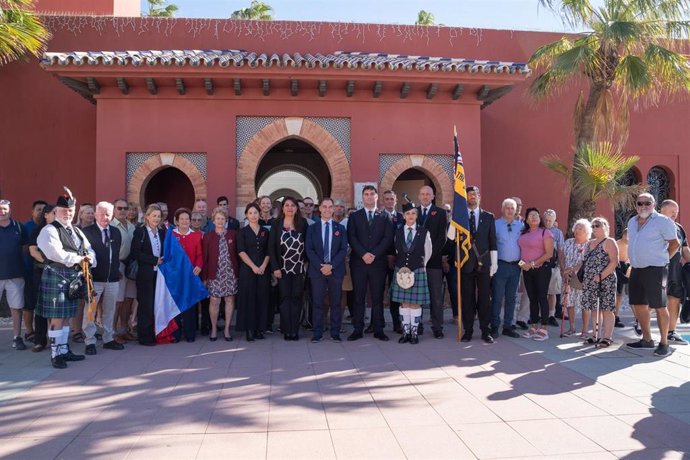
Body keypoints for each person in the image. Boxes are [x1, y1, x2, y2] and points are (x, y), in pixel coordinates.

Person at [37, 188, 95, 368]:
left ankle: (64, 350)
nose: (67, 214)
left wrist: (90, 258)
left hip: (72, 277)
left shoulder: (76, 231)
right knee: (56, 317)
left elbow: (89, 249)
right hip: (57, 274)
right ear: (56, 211)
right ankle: (56, 355)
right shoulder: (49, 230)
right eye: (63, 211)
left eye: (70, 211)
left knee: (67, 316)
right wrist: (80, 259)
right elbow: (56, 254)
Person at [626, 193, 680, 357]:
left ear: (654, 204)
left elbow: (675, 244)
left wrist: (663, 260)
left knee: (659, 306)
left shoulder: (663, 221)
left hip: (656, 269)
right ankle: (647, 340)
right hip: (636, 268)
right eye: (639, 203)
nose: (643, 206)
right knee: (639, 304)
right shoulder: (632, 221)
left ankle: (664, 343)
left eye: (647, 203)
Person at [347, 186, 394, 341]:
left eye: (371, 194)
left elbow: (387, 238)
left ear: (376, 197)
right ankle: (357, 328)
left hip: (378, 262)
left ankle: (378, 329)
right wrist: (363, 254)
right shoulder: (355, 216)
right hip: (359, 263)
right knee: (358, 297)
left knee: (377, 297)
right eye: (366, 194)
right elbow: (352, 237)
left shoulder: (384, 216)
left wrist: (374, 254)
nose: (369, 197)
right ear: (362, 197)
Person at [81, 202, 125, 354]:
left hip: (112, 278)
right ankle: (89, 341)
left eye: (108, 214)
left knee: (109, 310)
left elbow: (116, 254)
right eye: (101, 214)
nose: (104, 217)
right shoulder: (87, 232)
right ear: (95, 214)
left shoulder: (116, 232)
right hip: (95, 279)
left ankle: (108, 338)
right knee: (90, 311)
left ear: (112, 215)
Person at [306, 198, 348, 342]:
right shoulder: (312, 228)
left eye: (331, 207)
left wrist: (331, 265)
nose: (328, 209)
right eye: (325, 207)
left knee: (335, 302)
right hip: (317, 271)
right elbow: (309, 249)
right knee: (317, 302)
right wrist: (321, 266)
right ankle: (317, 333)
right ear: (320, 209)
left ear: (334, 209)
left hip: (335, 271)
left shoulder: (340, 228)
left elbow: (343, 250)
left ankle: (335, 333)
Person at [390, 202, 432, 344]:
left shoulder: (424, 232)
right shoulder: (398, 232)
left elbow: (428, 252)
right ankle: (405, 332)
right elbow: (397, 250)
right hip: (401, 272)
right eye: (408, 213)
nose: (410, 216)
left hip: (417, 270)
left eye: (413, 213)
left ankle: (414, 333)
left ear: (416, 215)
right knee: (404, 304)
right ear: (403, 216)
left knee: (415, 304)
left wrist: (421, 266)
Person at [460, 186, 497, 343]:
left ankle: (485, 331)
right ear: (466, 197)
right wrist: (452, 223)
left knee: (484, 299)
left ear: (479, 196)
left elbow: (492, 242)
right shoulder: (459, 217)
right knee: (467, 299)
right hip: (465, 263)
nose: (472, 197)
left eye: (475, 194)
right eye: (469, 194)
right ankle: (468, 331)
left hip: (483, 263)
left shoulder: (488, 217)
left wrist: (494, 264)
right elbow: (450, 239)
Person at [269, 197, 308, 340]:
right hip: (282, 268)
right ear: (282, 208)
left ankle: (295, 330)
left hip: (298, 268)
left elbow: (308, 245)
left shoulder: (302, 223)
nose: (290, 208)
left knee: (296, 298)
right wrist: (275, 268)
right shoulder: (276, 224)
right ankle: (286, 329)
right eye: (287, 205)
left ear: (297, 208)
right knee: (285, 298)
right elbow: (271, 248)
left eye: (293, 205)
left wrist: (306, 263)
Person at [201, 207, 239, 341]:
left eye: (223, 218)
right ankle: (214, 328)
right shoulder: (208, 236)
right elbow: (204, 258)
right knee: (215, 300)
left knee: (229, 299)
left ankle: (227, 328)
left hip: (230, 273)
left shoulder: (233, 234)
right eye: (218, 218)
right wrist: (205, 277)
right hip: (214, 274)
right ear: (213, 220)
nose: (220, 221)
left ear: (226, 220)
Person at [131, 204, 166, 346]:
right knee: (146, 305)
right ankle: (144, 337)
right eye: (154, 216)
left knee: (156, 304)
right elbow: (135, 253)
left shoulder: (162, 232)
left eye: (158, 216)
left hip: (159, 274)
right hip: (145, 274)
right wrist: (154, 260)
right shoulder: (140, 232)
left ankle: (155, 333)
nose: (156, 219)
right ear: (147, 217)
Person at [580, 218, 619, 347]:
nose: (595, 228)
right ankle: (595, 335)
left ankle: (607, 337)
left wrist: (601, 275)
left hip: (605, 280)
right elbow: (584, 261)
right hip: (590, 281)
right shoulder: (589, 243)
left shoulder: (609, 242)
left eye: (598, 225)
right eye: (593, 226)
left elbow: (614, 261)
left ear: (605, 227)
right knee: (594, 308)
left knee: (606, 308)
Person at [417, 185, 449, 338]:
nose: (425, 197)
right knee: (417, 296)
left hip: (434, 262)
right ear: (419, 196)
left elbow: (441, 238)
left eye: (427, 194)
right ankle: (417, 325)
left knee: (436, 296)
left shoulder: (441, 213)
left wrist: (428, 255)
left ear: (433, 196)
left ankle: (437, 327)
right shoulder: (413, 212)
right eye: (422, 194)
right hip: (416, 263)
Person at [518, 207, 554, 341]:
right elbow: (520, 253)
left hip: (541, 270)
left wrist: (532, 264)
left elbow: (549, 254)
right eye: (531, 215)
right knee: (532, 298)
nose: (534, 217)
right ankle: (533, 326)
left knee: (541, 297)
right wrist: (524, 265)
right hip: (527, 270)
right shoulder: (523, 234)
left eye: (536, 215)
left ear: (540, 219)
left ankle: (544, 328)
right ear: (526, 219)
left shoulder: (545, 233)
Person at [490, 198, 524, 338]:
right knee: (497, 297)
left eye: (512, 208)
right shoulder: (495, 224)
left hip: (516, 267)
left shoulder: (521, 226)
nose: (510, 210)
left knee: (511, 298)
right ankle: (494, 326)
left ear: (516, 210)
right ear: (502, 209)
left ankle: (508, 326)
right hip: (500, 265)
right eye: (507, 208)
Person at [236, 203, 270, 342]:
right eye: (250, 213)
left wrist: (263, 266)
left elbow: (268, 250)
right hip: (248, 271)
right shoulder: (242, 232)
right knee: (249, 300)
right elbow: (241, 251)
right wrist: (253, 267)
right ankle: (249, 329)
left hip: (263, 270)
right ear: (246, 215)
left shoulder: (265, 231)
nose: (253, 215)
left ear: (259, 214)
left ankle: (258, 329)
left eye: (255, 212)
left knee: (261, 299)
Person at [659, 199, 689, 345]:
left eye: (676, 213)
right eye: (671, 212)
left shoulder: (679, 228)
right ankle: (641, 325)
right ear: (661, 211)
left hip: (675, 270)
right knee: (653, 300)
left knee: (674, 298)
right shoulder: (653, 226)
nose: (674, 215)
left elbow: (684, 249)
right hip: (656, 268)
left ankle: (671, 332)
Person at [0, 199, 29, 350]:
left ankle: (17, 337)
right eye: (0, 209)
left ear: (10, 210)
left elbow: (25, 248)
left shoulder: (19, 227)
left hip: (15, 274)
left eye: (5, 209)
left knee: (16, 308)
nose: (2, 211)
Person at [171, 207, 203, 342]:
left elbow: (200, 255)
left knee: (190, 304)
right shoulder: (171, 235)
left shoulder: (196, 235)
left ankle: (190, 334)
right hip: (175, 276)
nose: (184, 221)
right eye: (181, 219)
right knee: (176, 305)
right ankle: (176, 334)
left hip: (190, 276)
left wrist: (199, 266)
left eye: (187, 219)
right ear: (177, 221)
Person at [28, 205, 55, 352]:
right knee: (40, 308)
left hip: (58, 274)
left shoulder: (62, 231)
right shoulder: (38, 230)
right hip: (41, 272)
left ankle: (56, 340)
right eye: (54, 213)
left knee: (56, 309)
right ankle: (39, 340)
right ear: (46, 215)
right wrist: (47, 263)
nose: (57, 215)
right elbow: (33, 251)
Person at [559, 219, 591, 337]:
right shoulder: (568, 242)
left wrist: (571, 269)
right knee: (569, 302)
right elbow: (561, 256)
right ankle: (572, 328)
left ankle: (585, 330)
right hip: (567, 276)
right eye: (576, 228)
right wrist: (564, 271)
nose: (577, 230)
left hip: (582, 277)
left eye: (581, 229)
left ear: (587, 232)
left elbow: (585, 261)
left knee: (584, 304)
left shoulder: (589, 245)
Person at [111, 198, 137, 343]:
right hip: (118, 265)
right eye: (119, 208)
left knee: (129, 299)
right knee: (118, 301)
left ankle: (124, 329)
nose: (122, 211)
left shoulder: (131, 227)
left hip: (130, 266)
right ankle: (112, 332)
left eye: (125, 208)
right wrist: (115, 268)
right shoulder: (111, 226)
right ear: (114, 210)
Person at [22, 200, 47, 345]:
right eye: (38, 209)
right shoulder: (26, 227)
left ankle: (46, 332)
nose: (41, 212)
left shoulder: (49, 227)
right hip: (28, 270)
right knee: (29, 303)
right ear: (32, 212)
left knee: (42, 304)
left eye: (44, 210)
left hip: (43, 271)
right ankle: (29, 331)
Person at [381, 190, 404, 333]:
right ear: (383, 201)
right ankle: (376, 323)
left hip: (398, 261)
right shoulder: (378, 216)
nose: (389, 201)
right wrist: (386, 254)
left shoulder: (402, 217)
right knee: (378, 292)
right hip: (380, 259)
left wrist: (394, 255)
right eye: (387, 199)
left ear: (395, 201)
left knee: (396, 293)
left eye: (392, 199)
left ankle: (397, 323)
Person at [543, 209, 564, 326]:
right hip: (540, 266)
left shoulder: (558, 233)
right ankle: (541, 315)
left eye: (550, 220)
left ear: (554, 221)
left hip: (553, 266)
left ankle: (551, 315)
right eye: (545, 220)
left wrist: (562, 268)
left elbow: (561, 251)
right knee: (541, 292)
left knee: (552, 292)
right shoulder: (539, 230)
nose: (547, 222)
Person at [614, 229, 630, 329]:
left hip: (626, 267)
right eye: (627, 235)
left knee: (620, 294)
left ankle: (616, 315)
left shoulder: (631, 245)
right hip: (616, 266)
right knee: (615, 293)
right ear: (623, 235)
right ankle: (612, 316)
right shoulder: (617, 244)